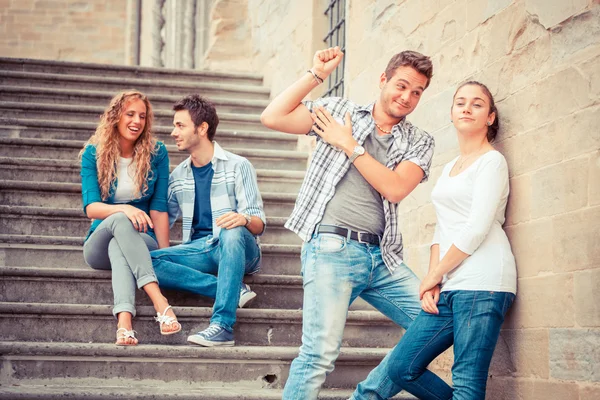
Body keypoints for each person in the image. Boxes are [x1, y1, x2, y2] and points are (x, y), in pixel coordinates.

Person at [260, 46, 435, 400]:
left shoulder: (420, 140)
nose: (407, 97)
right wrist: (316, 75)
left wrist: (350, 145)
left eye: (417, 92)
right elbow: (273, 117)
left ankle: (367, 395)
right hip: (331, 248)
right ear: (383, 79)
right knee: (318, 355)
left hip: (382, 259)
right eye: (401, 86)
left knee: (436, 323)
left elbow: (396, 188)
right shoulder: (339, 111)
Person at [385, 81, 517, 399]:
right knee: (401, 367)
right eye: (460, 103)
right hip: (452, 284)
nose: (467, 108)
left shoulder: (492, 162)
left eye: (477, 104)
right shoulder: (448, 170)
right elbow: (441, 229)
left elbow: (476, 227)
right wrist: (435, 281)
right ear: (452, 113)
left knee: (467, 380)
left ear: (490, 117)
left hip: (485, 281)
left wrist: (434, 274)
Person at [150, 94, 265, 347]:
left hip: (238, 248)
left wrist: (242, 218)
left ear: (202, 128)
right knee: (147, 263)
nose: (173, 132)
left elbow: (258, 223)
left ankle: (222, 326)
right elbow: (162, 219)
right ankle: (233, 289)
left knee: (230, 230)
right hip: (200, 249)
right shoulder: (178, 175)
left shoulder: (238, 166)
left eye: (180, 125)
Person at [80, 90, 181, 346]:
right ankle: (160, 302)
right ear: (116, 117)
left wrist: (165, 253)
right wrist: (125, 209)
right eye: (130, 114)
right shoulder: (94, 153)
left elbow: (158, 208)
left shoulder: (156, 153)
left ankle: (124, 323)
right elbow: (92, 208)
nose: (137, 121)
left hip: (140, 239)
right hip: (98, 244)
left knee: (120, 244)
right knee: (119, 223)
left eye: (142, 116)